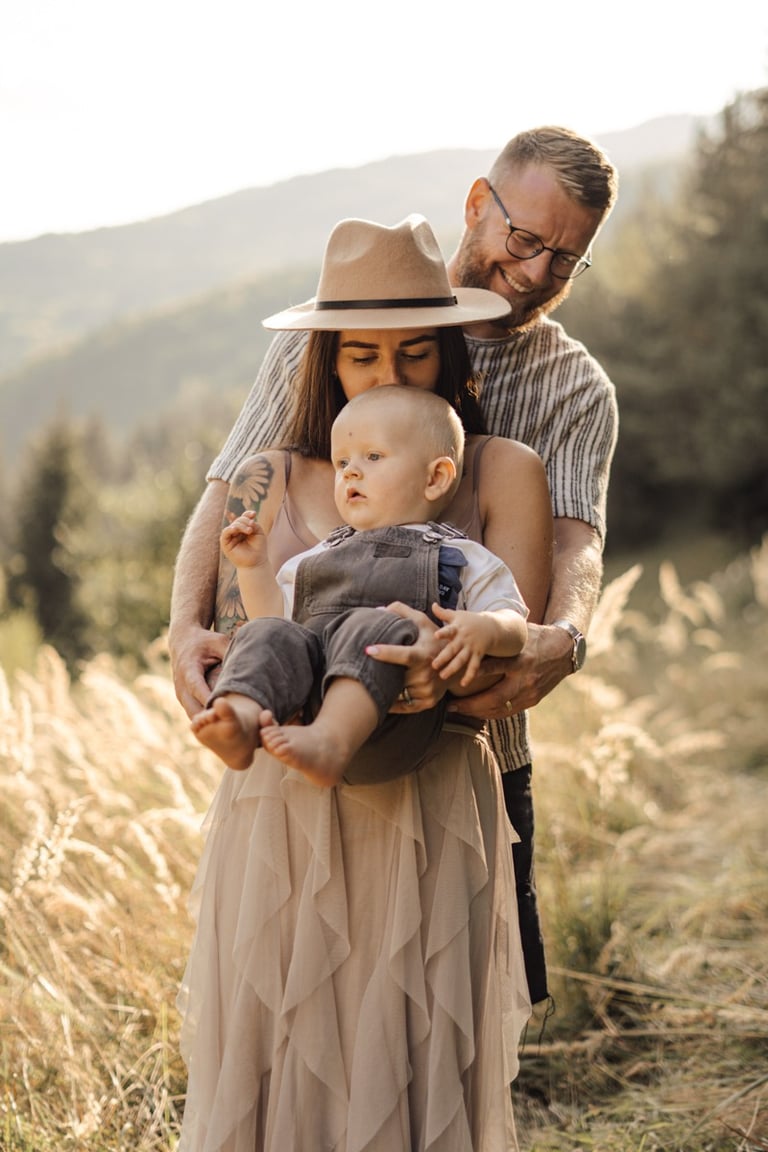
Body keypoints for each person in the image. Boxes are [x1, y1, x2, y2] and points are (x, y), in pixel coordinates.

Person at [169, 125, 619, 1008]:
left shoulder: (573, 389)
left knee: (457, 1004)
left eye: (564, 260)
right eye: (524, 239)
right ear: (476, 208)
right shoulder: (327, 333)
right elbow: (233, 488)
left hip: (465, 731)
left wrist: (560, 640)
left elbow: (576, 541)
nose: (534, 273)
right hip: (300, 723)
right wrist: (185, 623)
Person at [176, 213, 553, 1152]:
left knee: (410, 1048)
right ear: (325, 364)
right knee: (283, 1050)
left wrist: (448, 674)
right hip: (284, 802)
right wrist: (204, 629)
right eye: (359, 357)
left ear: (451, 352)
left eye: (416, 353)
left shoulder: (499, 470)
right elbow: (253, 624)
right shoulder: (264, 477)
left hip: (426, 796)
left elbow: (519, 648)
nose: (385, 375)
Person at [191, 386, 529, 787]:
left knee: (380, 625)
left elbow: (516, 623)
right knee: (264, 632)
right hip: (308, 711)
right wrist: (253, 567)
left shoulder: (458, 554)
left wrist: (488, 629)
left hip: (397, 722)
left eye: (373, 457)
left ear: (435, 477)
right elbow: (278, 622)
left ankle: (332, 740)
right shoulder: (317, 558)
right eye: (342, 462)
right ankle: (242, 719)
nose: (350, 471)